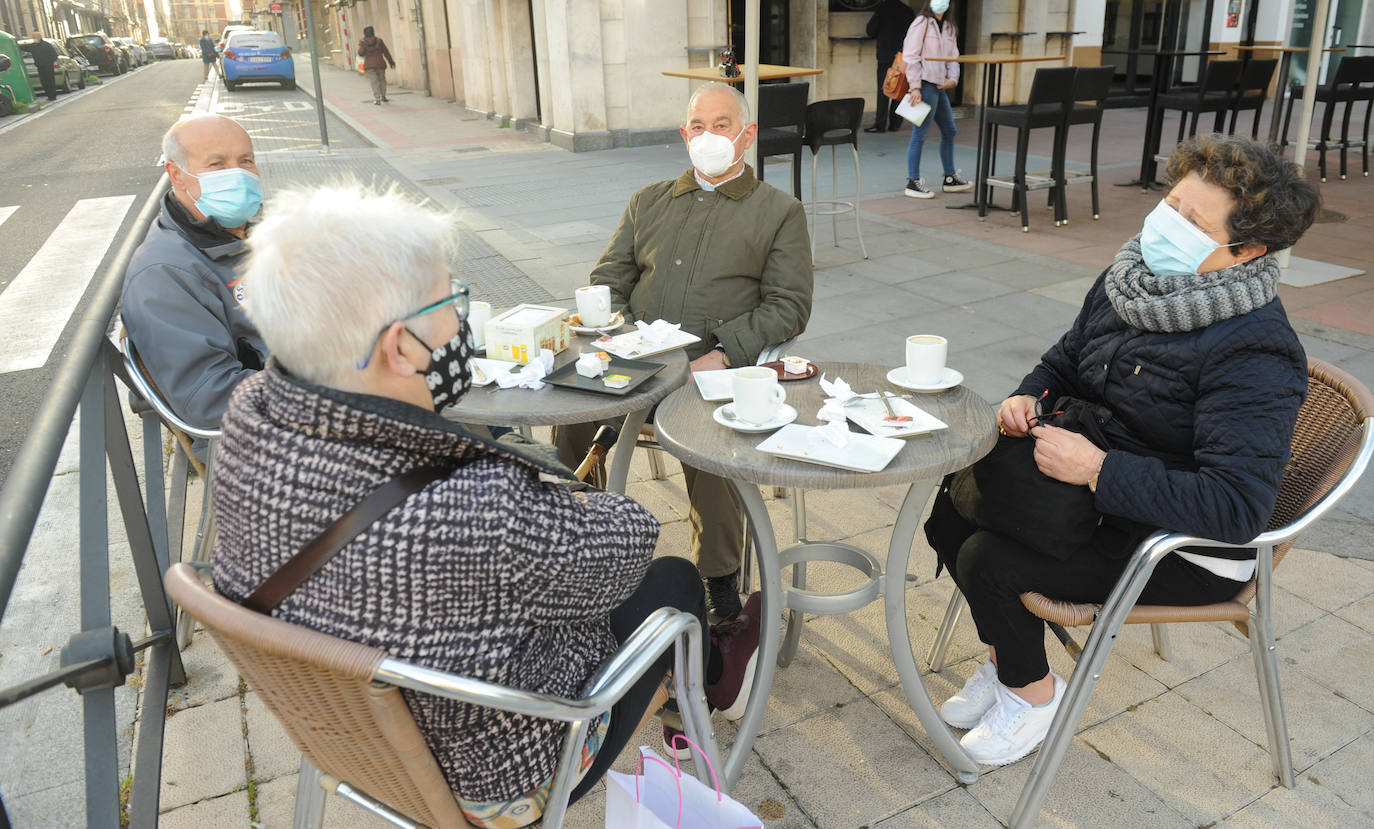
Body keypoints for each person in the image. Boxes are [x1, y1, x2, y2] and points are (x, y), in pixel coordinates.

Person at [209, 182, 761, 828]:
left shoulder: (248, 416)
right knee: (672, 580)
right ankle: (714, 677)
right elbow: (629, 538)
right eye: (451, 301)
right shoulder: (477, 509)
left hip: (350, 737)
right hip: (500, 777)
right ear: (401, 347)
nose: (461, 323)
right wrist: (531, 478)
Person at [930, 135, 1320, 767]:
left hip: (1186, 547)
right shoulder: (1131, 280)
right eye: (1169, 205)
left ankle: (1033, 698)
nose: (1165, 226)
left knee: (989, 559)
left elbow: (1238, 509)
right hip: (1099, 505)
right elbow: (1064, 361)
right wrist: (1028, 398)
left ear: (1246, 251)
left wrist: (1098, 470)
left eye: (1192, 223)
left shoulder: (1255, 351)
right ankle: (1010, 664)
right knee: (950, 511)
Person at [555, 82, 813, 621]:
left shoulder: (778, 211)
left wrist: (721, 355)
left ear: (748, 135)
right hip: (635, 363)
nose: (709, 136)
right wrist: (622, 335)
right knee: (567, 407)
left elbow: (788, 306)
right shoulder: (648, 201)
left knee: (710, 437)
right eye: (698, 126)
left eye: (722, 125)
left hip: (709, 369)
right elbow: (608, 279)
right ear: (683, 134)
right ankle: (574, 540)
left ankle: (718, 577)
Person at [121, 113, 266, 462]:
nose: (238, 174)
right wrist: (334, 387)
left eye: (245, 160)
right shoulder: (164, 274)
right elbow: (210, 399)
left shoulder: (252, 232)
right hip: (258, 445)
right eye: (217, 164)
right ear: (176, 175)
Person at [900, 0, 970, 198]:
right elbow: (911, 56)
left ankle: (950, 177)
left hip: (939, 86)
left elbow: (953, 56)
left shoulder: (948, 27)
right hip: (924, 84)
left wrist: (952, 80)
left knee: (949, 130)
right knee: (920, 133)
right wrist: (915, 87)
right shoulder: (921, 23)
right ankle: (913, 181)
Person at [864, 0, 915, 133]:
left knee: (884, 90)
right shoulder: (907, 11)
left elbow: (870, 30)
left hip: (885, 56)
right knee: (900, 89)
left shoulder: (882, 8)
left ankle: (880, 124)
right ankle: (895, 124)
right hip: (903, 56)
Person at [358, 26, 395, 105]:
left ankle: (377, 99)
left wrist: (361, 46)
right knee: (382, 80)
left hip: (369, 65)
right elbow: (386, 52)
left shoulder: (363, 42)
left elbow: (360, 53)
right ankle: (383, 96)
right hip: (380, 64)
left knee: (374, 81)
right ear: (373, 32)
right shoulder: (379, 41)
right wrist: (391, 62)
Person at [26, 34, 58, 102]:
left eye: (34, 37)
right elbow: (25, 47)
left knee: (50, 81)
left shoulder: (47, 45)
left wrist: (49, 62)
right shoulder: (33, 46)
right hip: (40, 67)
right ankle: (49, 95)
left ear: (39, 37)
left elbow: (54, 55)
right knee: (43, 82)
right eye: (33, 38)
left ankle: (52, 96)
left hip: (48, 67)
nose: (34, 39)